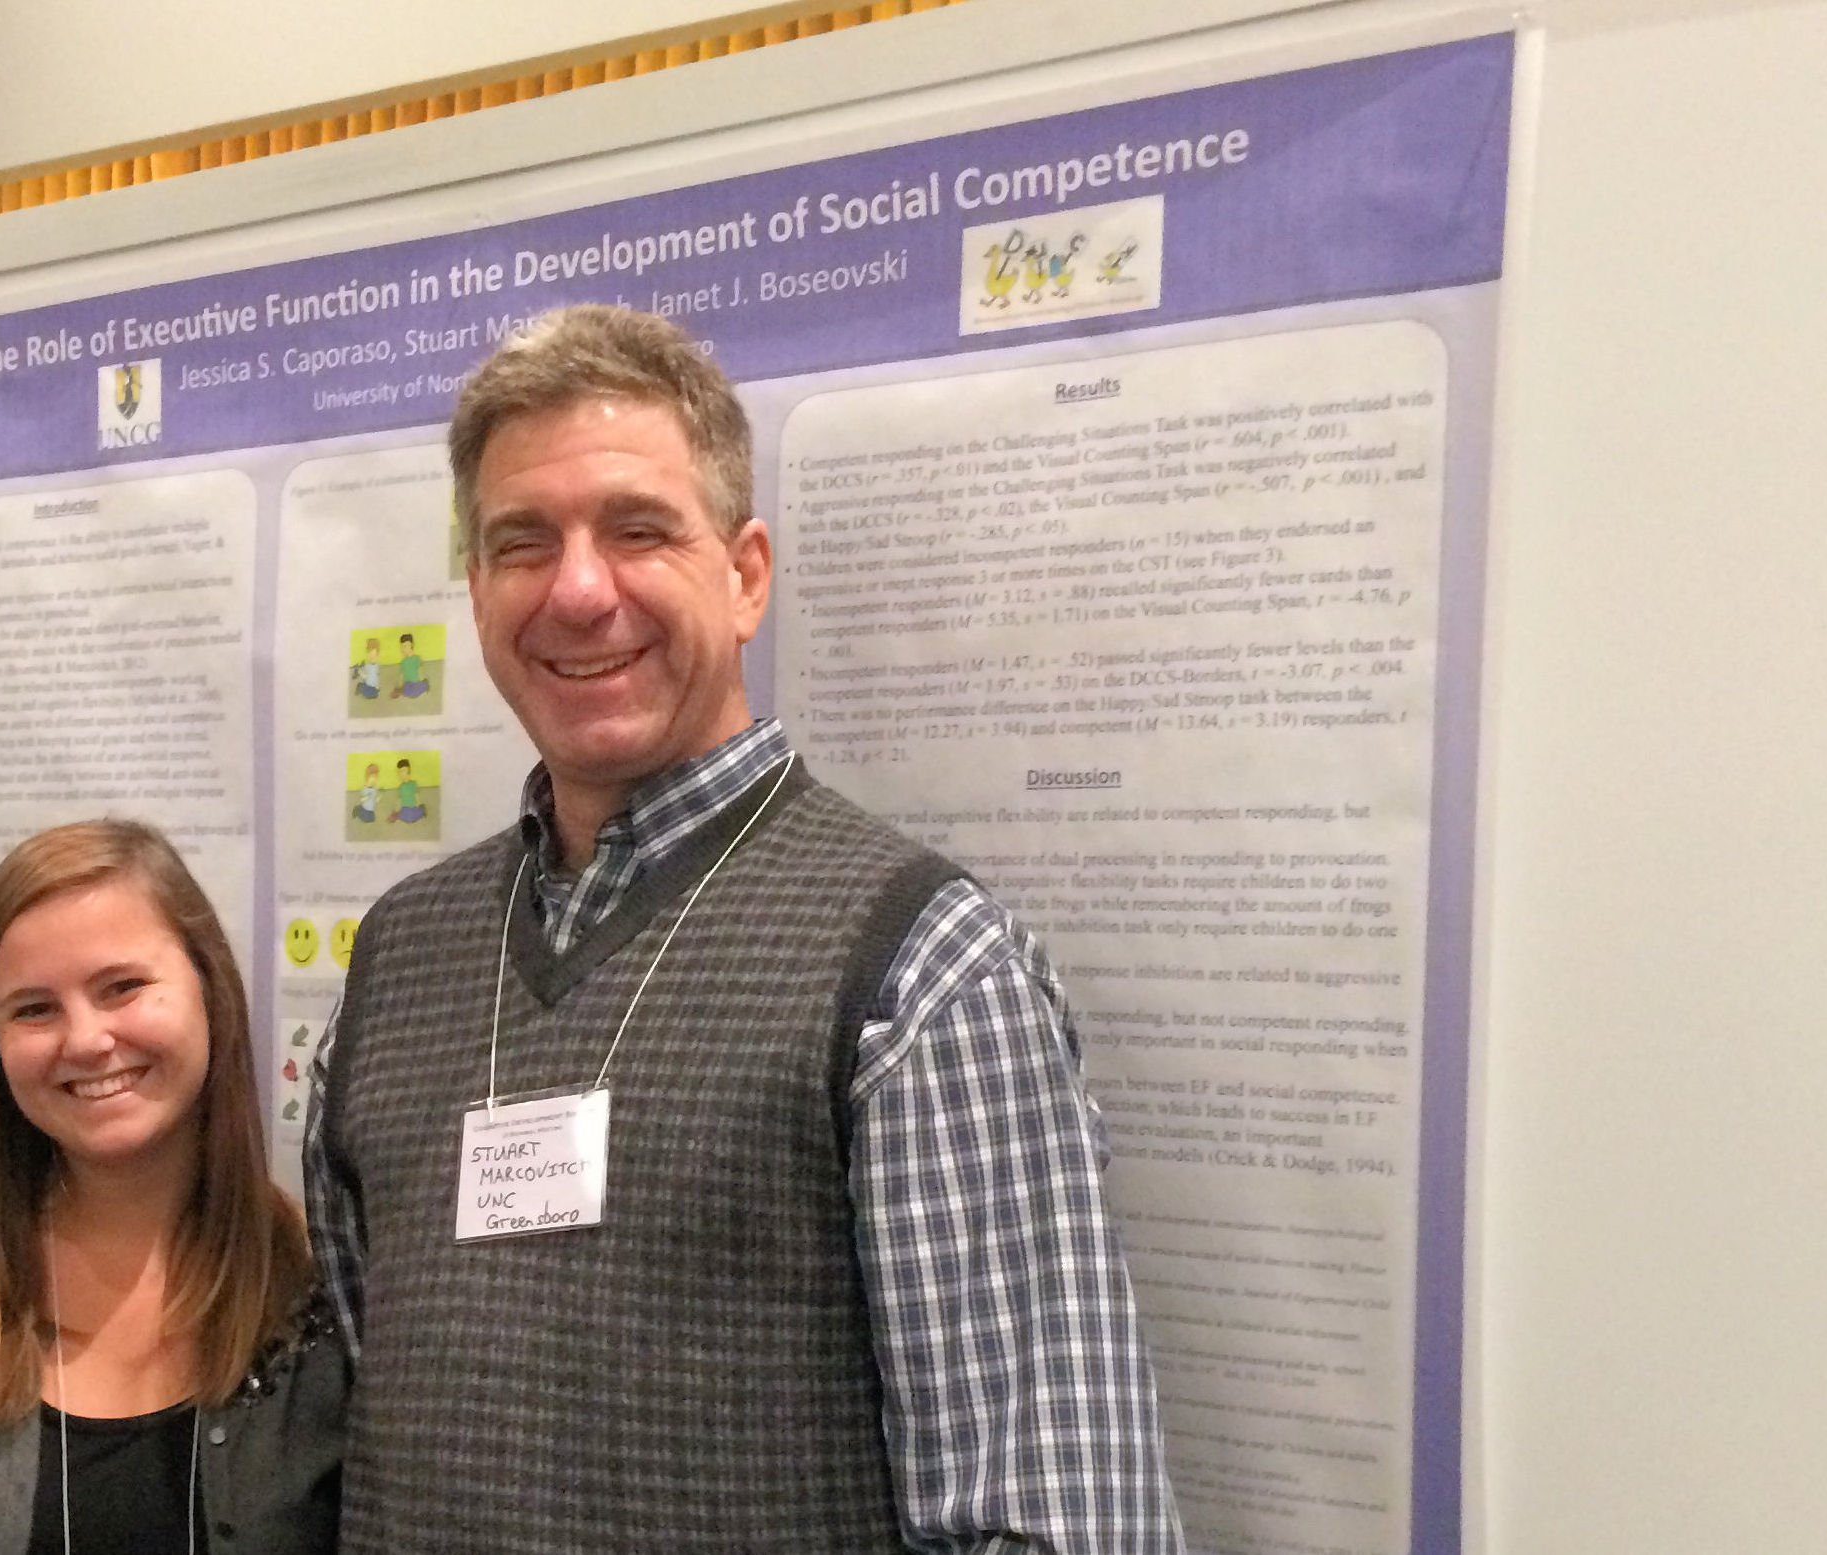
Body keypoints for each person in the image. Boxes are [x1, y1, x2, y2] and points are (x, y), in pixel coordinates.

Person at [306, 304, 1183, 1552]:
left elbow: (1050, 1523)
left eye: (638, 529)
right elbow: (371, 1392)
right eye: (522, 543)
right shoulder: (403, 956)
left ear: (746, 573)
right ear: (478, 590)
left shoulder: (918, 968)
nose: (578, 589)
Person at [0, 820, 344, 1555]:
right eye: (34, 1008)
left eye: (123, 986)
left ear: (211, 992)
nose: (85, 1038)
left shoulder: (319, 1296)